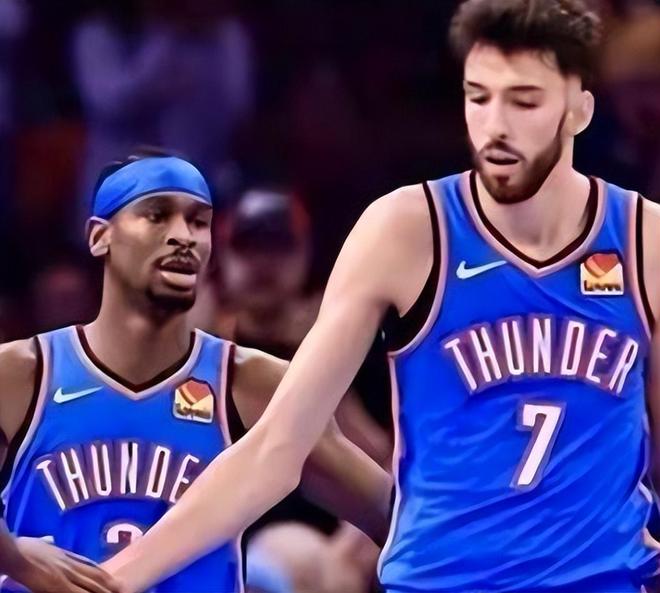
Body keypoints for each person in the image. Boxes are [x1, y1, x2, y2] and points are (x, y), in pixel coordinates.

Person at [104, 1, 660, 591]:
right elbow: (276, 447)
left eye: (523, 102)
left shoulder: (642, 239)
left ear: (579, 111)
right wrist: (112, 581)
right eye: (478, 98)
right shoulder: (406, 230)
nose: (495, 126)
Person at [0, 151, 390, 593]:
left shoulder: (254, 383)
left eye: (198, 222)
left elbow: (398, 518)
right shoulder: (22, 374)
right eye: (157, 216)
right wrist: (14, 556)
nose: (183, 236)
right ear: (100, 236)